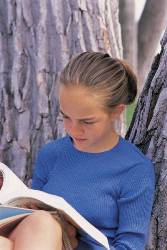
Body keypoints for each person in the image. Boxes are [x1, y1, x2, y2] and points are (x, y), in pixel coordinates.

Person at [0, 52, 155, 250]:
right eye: (66, 117)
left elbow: (130, 246)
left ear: (117, 112)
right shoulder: (52, 155)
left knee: (42, 224)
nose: (73, 130)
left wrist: (74, 240)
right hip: (34, 241)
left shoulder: (134, 169)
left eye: (87, 121)